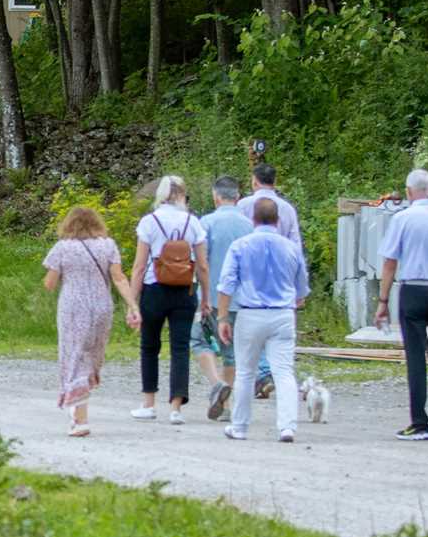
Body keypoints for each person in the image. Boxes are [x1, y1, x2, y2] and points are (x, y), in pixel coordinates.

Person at [373, 168, 428, 441]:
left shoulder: (403, 219)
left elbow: (390, 262)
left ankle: (419, 422)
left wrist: (383, 300)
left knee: (415, 355)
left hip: (413, 288)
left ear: (410, 192)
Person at [217, 196, 311, 444]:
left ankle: (239, 426)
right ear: (278, 220)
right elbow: (301, 287)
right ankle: (287, 426)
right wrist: (295, 298)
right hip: (282, 313)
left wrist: (223, 317)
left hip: (250, 313)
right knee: (283, 372)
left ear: (253, 219)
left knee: (246, 372)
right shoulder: (291, 248)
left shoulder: (240, 246)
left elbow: (226, 285)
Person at [42, 203, 139, 436]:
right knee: (92, 356)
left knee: (74, 356)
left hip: (73, 308)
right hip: (102, 307)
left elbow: (50, 283)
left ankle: (79, 418)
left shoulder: (63, 248)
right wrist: (133, 305)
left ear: (69, 224)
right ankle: (78, 410)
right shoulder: (108, 246)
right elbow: (119, 278)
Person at [130, 175, 207, 426]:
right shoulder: (192, 222)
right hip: (184, 290)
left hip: (154, 288)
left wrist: (132, 302)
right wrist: (205, 296)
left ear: (160, 195)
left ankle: (149, 403)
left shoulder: (149, 222)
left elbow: (140, 266)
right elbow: (203, 265)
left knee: (149, 346)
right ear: (182, 195)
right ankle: (176, 409)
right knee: (180, 348)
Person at [195, 175, 258, 420]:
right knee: (231, 351)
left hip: (211, 296)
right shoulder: (248, 225)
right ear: (238, 197)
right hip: (241, 299)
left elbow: (202, 261)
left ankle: (217, 385)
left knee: (197, 339)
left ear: (215, 196)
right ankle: (228, 404)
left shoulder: (206, 222)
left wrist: (200, 294)